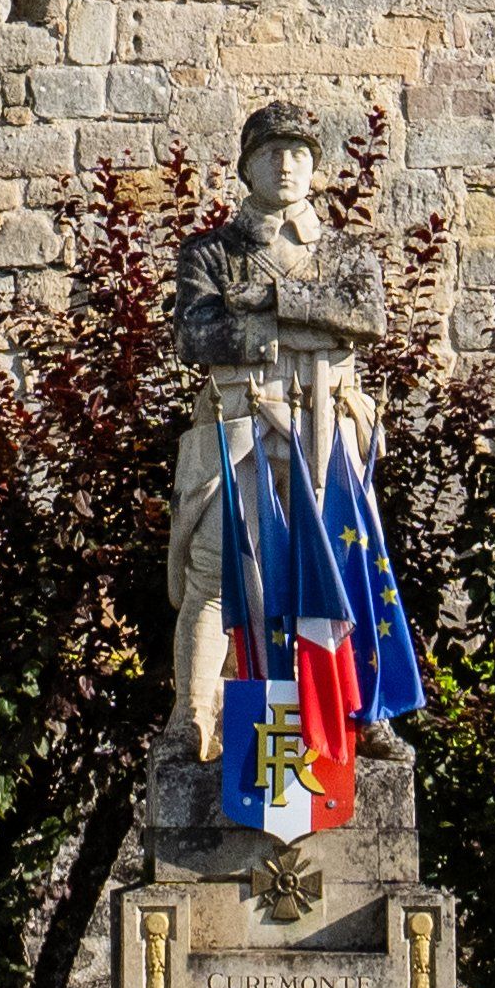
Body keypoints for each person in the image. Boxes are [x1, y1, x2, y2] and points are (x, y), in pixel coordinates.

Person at [162, 106, 427, 837]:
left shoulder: (345, 252)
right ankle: (193, 716)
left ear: (317, 168)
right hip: (239, 430)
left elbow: (366, 316)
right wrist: (303, 324)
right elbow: (198, 334)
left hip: (325, 436)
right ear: (246, 165)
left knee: (339, 574)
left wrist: (272, 303)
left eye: (301, 153)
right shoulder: (210, 253)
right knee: (216, 575)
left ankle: (361, 710)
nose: (288, 165)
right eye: (273, 152)